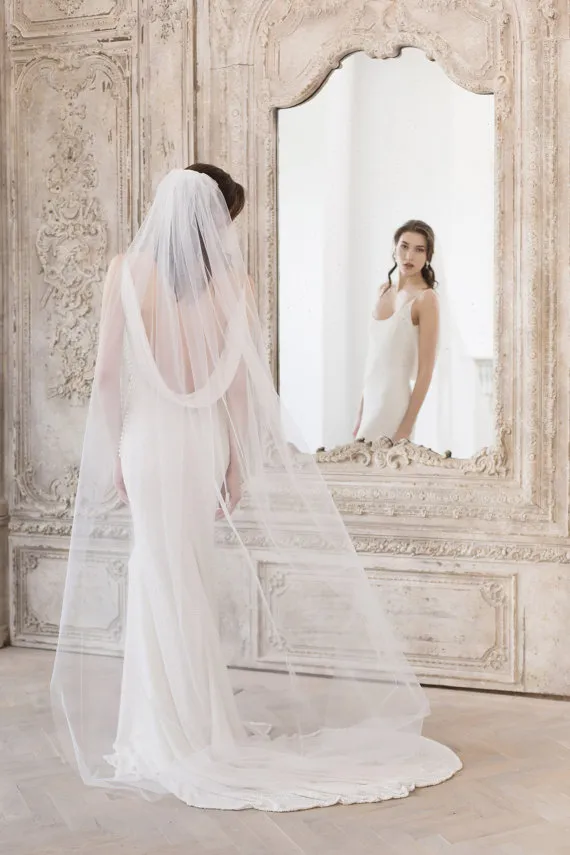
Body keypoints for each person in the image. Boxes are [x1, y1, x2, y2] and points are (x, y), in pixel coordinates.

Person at [51, 167, 461, 812]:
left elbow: (106, 378)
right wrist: (238, 466)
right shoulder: (233, 283)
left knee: (157, 570)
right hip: (204, 442)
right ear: (217, 220)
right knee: (189, 571)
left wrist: (113, 459)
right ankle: (199, 725)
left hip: (150, 442)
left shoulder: (124, 271)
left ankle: (164, 730)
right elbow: (241, 387)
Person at [354, 221, 439, 443]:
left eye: (419, 249)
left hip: (395, 405)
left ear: (428, 255)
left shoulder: (426, 299)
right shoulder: (382, 291)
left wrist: (406, 427)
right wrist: (360, 413)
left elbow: (426, 371)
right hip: (371, 400)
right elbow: (374, 358)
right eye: (404, 246)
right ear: (395, 248)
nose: (409, 255)